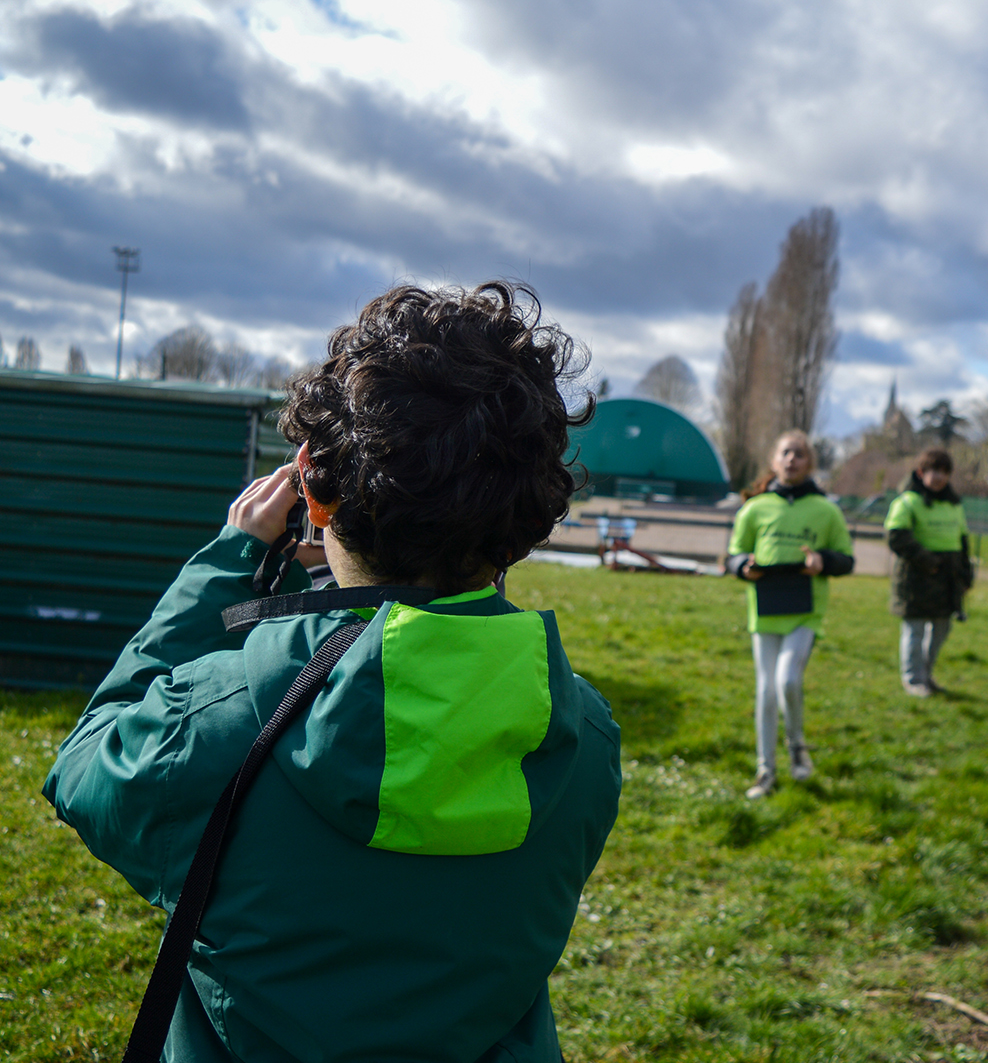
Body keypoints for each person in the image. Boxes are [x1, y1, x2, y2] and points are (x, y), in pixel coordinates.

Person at [42, 283, 622, 1062]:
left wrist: (230, 561)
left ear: (312, 488)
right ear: (528, 515)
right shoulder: (581, 737)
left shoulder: (216, 720)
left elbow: (85, 770)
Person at [726, 430, 855, 800]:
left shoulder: (827, 510)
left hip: (805, 612)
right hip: (764, 613)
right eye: (785, 453)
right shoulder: (755, 508)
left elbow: (846, 560)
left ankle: (797, 747)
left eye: (799, 454)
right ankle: (766, 770)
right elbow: (734, 554)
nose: (792, 460)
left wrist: (823, 562)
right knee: (766, 692)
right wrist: (742, 567)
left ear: (809, 462)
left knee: (787, 682)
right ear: (774, 460)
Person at [884, 448, 974, 696]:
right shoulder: (907, 502)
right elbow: (896, 537)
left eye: (944, 472)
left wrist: (966, 575)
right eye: (934, 471)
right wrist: (928, 561)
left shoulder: (954, 506)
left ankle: (926, 674)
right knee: (915, 630)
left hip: (948, 578)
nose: (939, 477)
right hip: (916, 577)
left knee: (942, 629)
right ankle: (913, 679)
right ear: (921, 472)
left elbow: (963, 542)